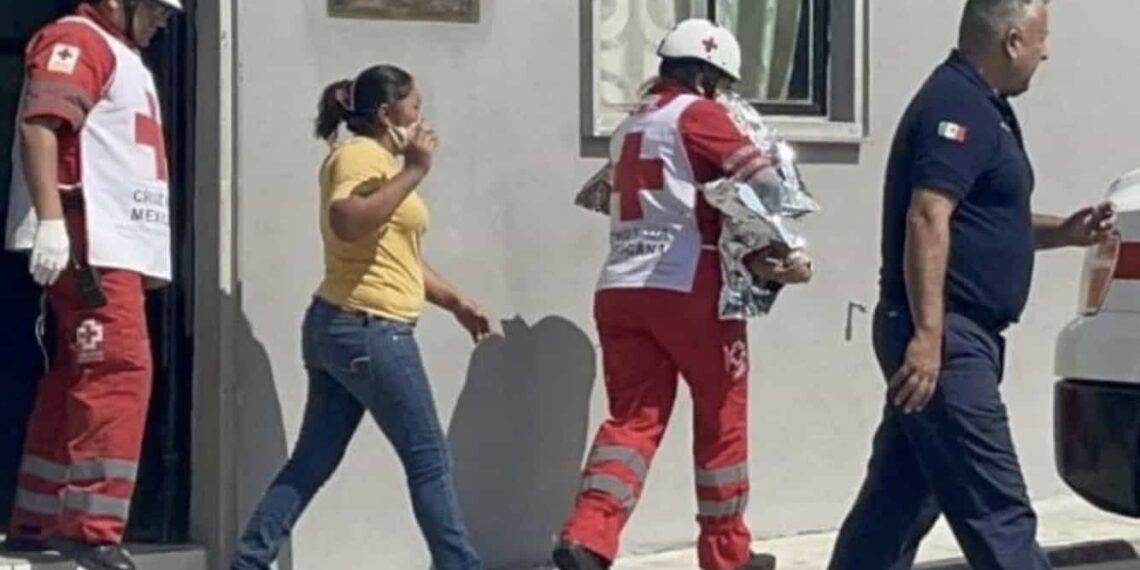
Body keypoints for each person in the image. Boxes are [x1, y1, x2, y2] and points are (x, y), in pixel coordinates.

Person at [828, 1, 1116, 569]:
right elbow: (927, 216)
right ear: (1012, 41)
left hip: (954, 337)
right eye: (1041, 39)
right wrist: (930, 335)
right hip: (947, 338)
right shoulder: (955, 105)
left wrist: (1067, 231)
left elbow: (982, 222)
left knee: (896, 502)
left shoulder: (986, 108)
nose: (1046, 52)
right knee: (999, 510)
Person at [553, 18, 813, 570]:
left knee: (632, 421)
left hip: (621, 285)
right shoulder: (699, 114)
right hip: (688, 286)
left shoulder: (632, 124)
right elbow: (764, 183)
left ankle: (587, 536)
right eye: (723, 84)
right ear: (707, 75)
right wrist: (778, 240)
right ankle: (726, 554)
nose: (724, 95)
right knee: (722, 414)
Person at [230, 65, 488, 570]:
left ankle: (248, 561)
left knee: (313, 460)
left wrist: (456, 301)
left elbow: (398, 256)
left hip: (344, 325)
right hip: (372, 330)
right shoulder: (360, 156)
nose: (423, 119)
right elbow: (346, 221)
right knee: (429, 458)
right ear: (387, 114)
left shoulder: (377, 164)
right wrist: (415, 170)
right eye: (415, 108)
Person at [3, 0, 181, 569]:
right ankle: (91, 526)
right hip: (93, 246)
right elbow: (40, 123)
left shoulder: (117, 52)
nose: (162, 21)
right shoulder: (81, 41)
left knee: (76, 375)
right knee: (118, 372)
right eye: (155, 8)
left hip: (108, 248)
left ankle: (38, 515)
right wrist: (53, 222)